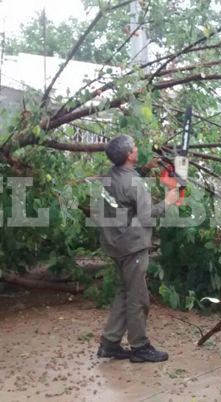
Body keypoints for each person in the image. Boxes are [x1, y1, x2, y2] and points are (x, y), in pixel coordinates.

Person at [96, 135, 178, 363]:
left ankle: (110, 343)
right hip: (131, 246)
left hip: (115, 243)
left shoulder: (111, 174)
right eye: (134, 147)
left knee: (124, 291)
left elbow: (125, 192)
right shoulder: (134, 184)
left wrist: (143, 169)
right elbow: (145, 217)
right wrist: (168, 201)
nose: (137, 147)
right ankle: (140, 347)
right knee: (138, 297)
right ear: (129, 155)